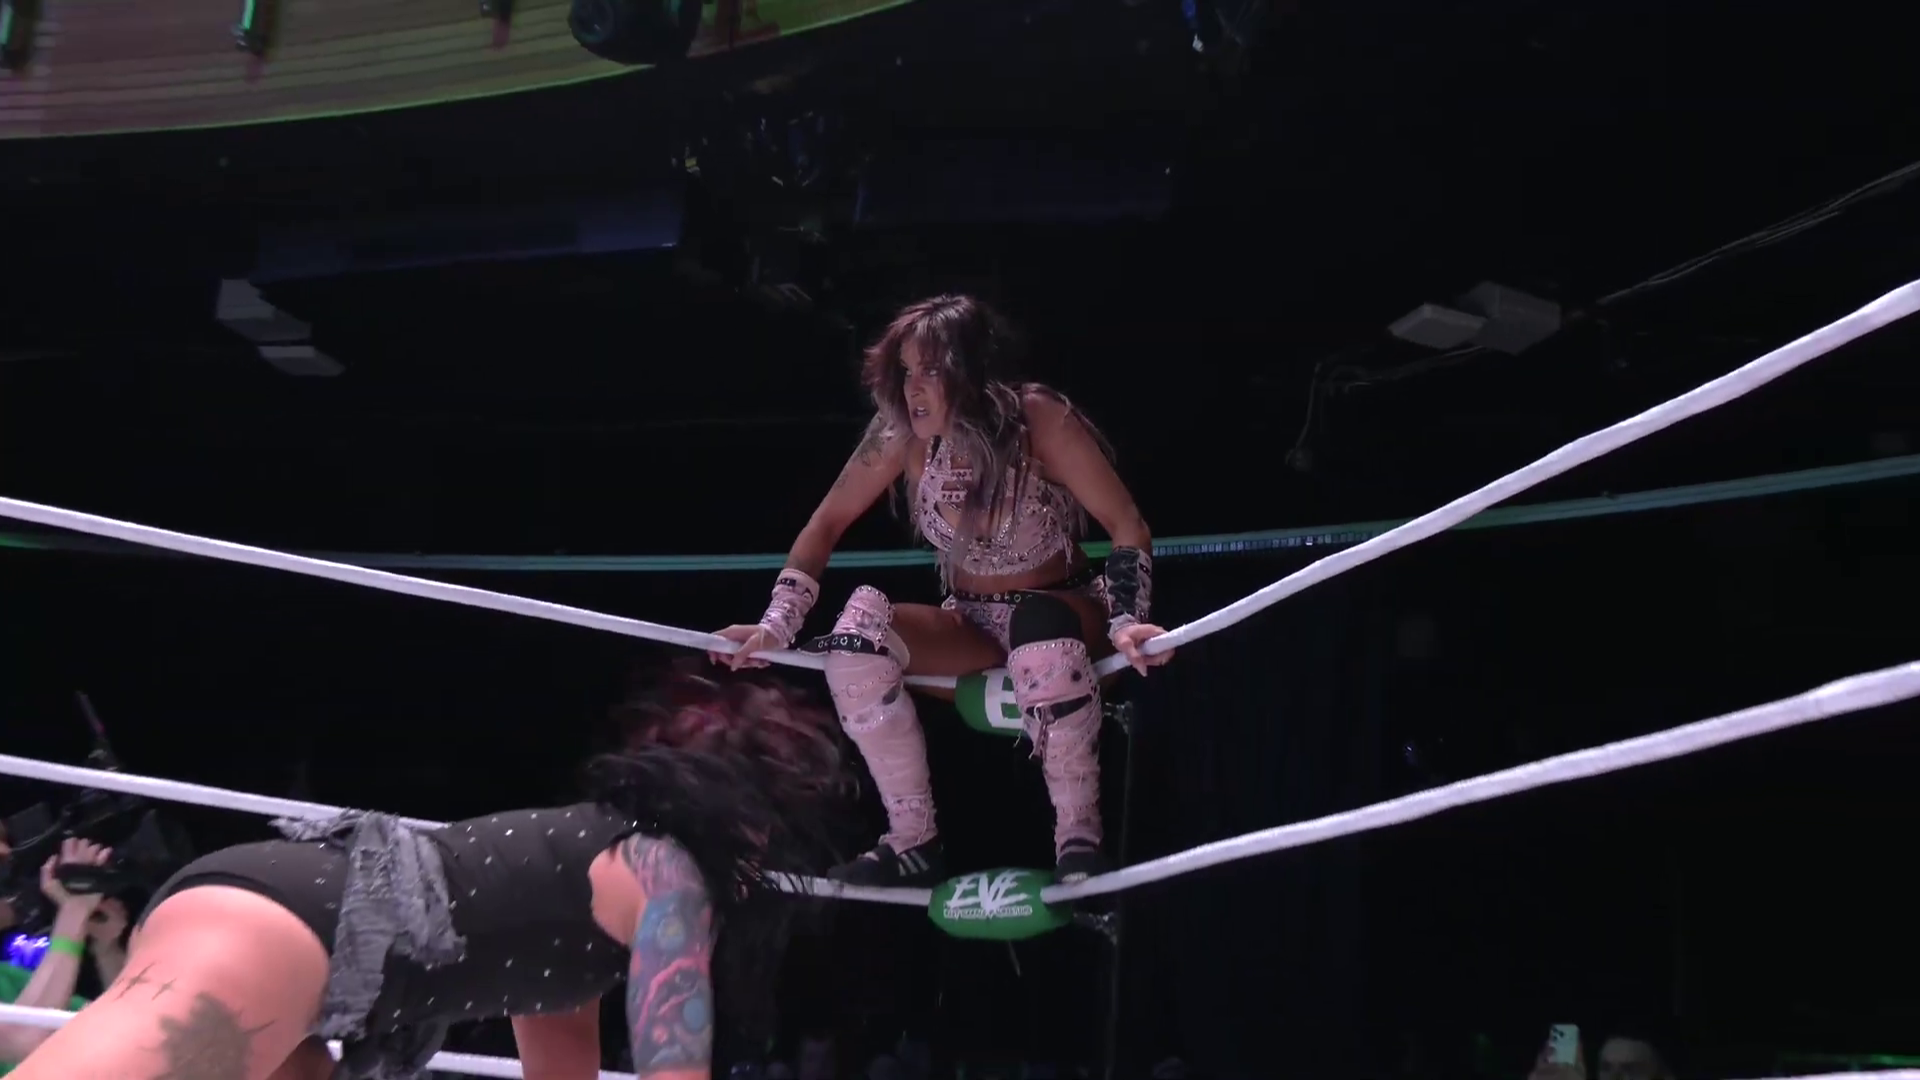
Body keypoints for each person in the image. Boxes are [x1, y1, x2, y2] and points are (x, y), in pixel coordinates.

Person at [7, 664, 852, 1080]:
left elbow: (557, 1043)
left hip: (290, 940)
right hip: (291, 930)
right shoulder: (666, 876)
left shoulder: (577, 911)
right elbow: (676, 1070)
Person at [710, 293, 1174, 887]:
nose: (914, 389)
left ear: (971, 369)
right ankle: (912, 839)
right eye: (906, 372)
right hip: (971, 624)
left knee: (1037, 623)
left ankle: (1079, 842)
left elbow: (1127, 523)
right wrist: (776, 624)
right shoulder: (902, 435)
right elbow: (825, 523)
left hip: (1066, 613)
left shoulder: (1038, 417)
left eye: (930, 370)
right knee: (856, 636)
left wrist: (1128, 619)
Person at [0, 839, 116, 1074]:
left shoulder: (7, 977)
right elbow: (25, 1037)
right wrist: (75, 909)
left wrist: (107, 949)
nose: (5, 850)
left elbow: (117, 1022)